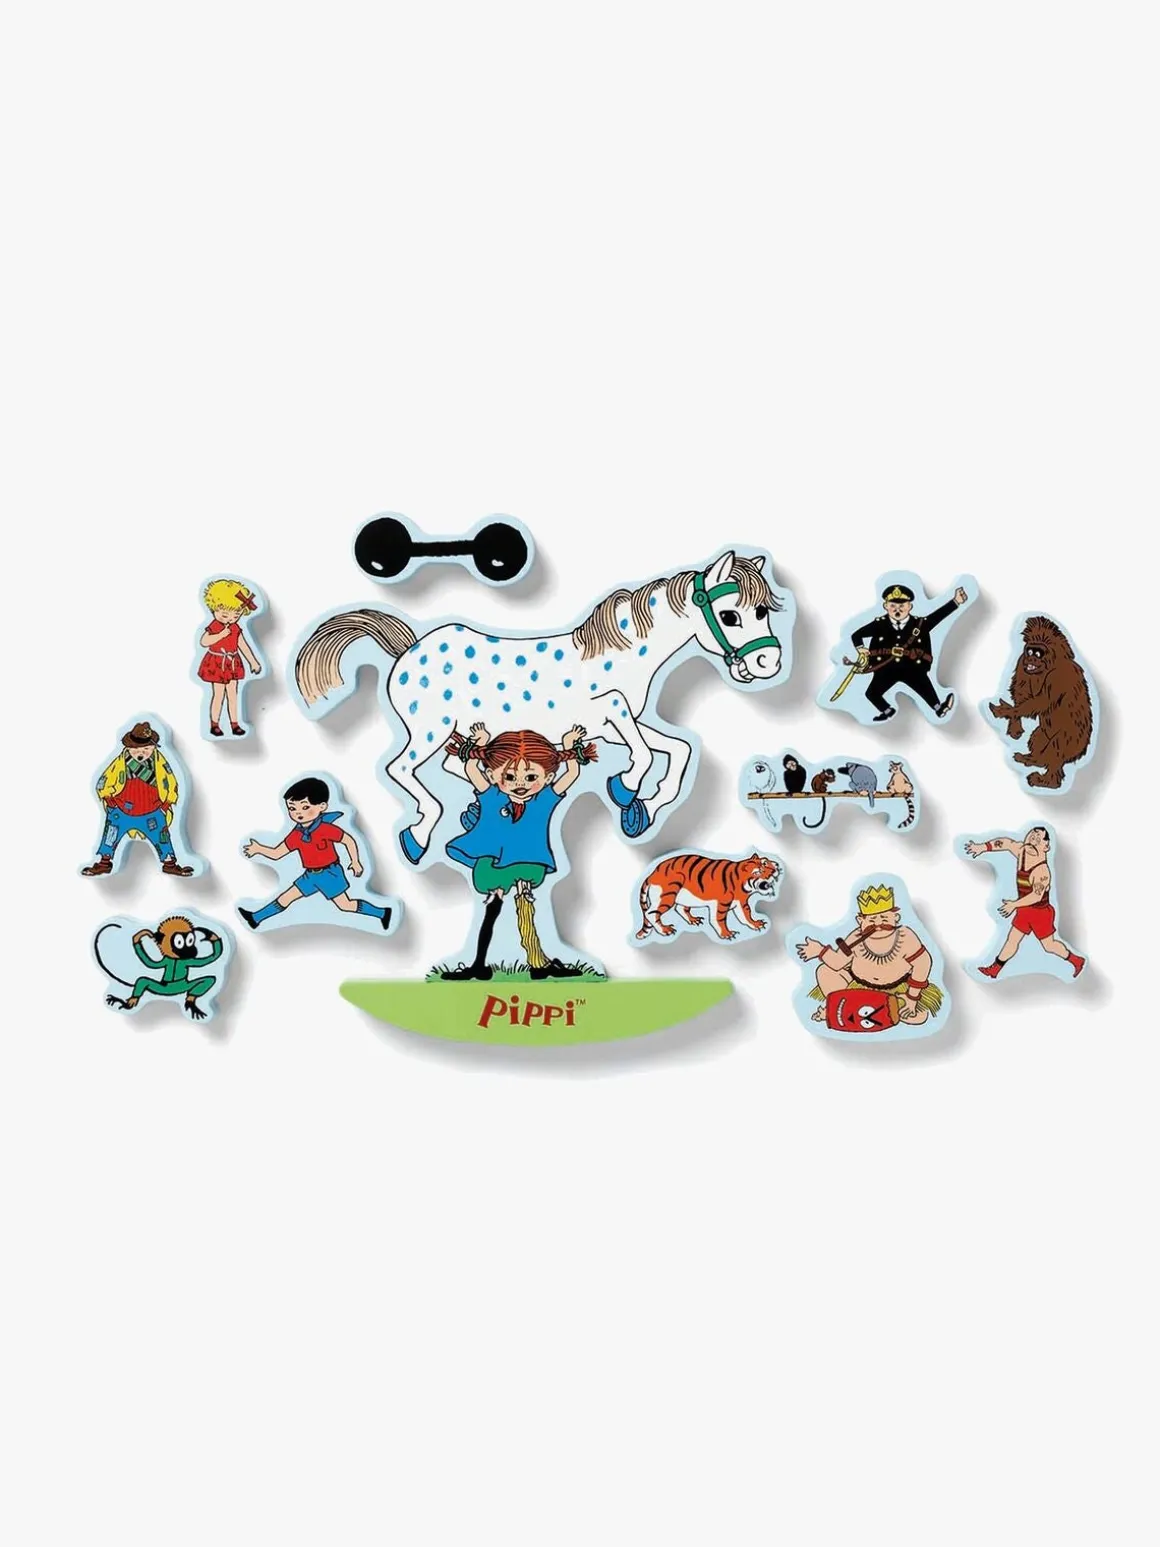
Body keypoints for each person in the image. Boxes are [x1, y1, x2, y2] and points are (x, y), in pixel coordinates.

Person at [441, 723, 595, 980]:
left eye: (531, 777)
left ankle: (537, 963)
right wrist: (481, 742)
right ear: (492, 775)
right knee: (492, 910)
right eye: (509, 777)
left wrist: (569, 745)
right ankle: (479, 963)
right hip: (495, 862)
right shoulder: (492, 796)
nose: (520, 784)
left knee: (526, 908)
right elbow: (471, 769)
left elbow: (571, 774)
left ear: (547, 778)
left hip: (527, 861)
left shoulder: (544, 800)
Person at [238, 777, 391, 929]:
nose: (298, 813)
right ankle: (255, 918)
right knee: (286, 898)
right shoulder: (296, 834)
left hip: (330, 874)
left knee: (346, 905)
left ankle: (382, 913)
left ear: (322, 806)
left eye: (305, 807)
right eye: (292, 808)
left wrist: (355, 861)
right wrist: (259, 849)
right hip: (310, 875)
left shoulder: (326, 829)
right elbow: (278, 853)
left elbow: (348, 840)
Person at [797, 883, 943, 1024]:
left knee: (919, 1016)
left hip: (900, 989)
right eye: (872, 920)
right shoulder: (855, 938)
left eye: (884, 918)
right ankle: (844, 1009)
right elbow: (838, 963)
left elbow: (923, 963)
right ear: (860, 920)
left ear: (896, 918)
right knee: (825, 971)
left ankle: (891, 1011)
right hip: (858, 986)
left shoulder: (905, 936)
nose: (878, 925)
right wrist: (820, 951)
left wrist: (912, 997)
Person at [964, 828, 1085, 977]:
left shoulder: (1042, 871)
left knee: (1049, 946)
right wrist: (983, 847)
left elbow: (1036, 896)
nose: (1033, 841)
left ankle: (1076, 960)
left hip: (1040, 914)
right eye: (1031, 837)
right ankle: (995, 969)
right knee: (1012, 940)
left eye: (1038, 840)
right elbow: (1005, 843)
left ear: (1046, 846)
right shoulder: (1021, 851)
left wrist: (1013, 905)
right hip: (1024, 910)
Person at [82, 721, 194, 876]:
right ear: (128, 748)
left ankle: (169, 863)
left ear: (153, 748)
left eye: (146, 749)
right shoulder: (120, 762)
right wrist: (107, 797)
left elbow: (170, 780)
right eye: (136, 750)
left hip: (152, 810)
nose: (141, 754)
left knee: (162, 837)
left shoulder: (160, 763)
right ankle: (104, 862)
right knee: (110, 834)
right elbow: (106, 778)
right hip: (121, 810)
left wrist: (168, 801)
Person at [847, 582, 968, 721]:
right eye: (893, 606)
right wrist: (860, 648)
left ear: (910, 606)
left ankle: (939, 708)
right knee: (872, 693)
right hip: (886, 669)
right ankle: (887, 710)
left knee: (925, 687)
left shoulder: (919, 624)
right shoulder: (879, 624)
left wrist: (955, 602)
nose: (897, 610)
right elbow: (856, 635)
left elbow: (937, 616)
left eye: (902, 606)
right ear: (885, 606)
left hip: (912, 668)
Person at [197, 579, 263, 736]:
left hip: (233, 663)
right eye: (225, 614)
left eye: (235, 616)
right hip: (216, 662)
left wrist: (253, 662)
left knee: (233, 695)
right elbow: (204, 641)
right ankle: (214, 724)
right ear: (214, 609)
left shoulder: (235, 628)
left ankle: (235, 724)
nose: (230, 619)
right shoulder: (215, 626)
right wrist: (220, 635)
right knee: (218, 694)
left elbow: (243, 645)